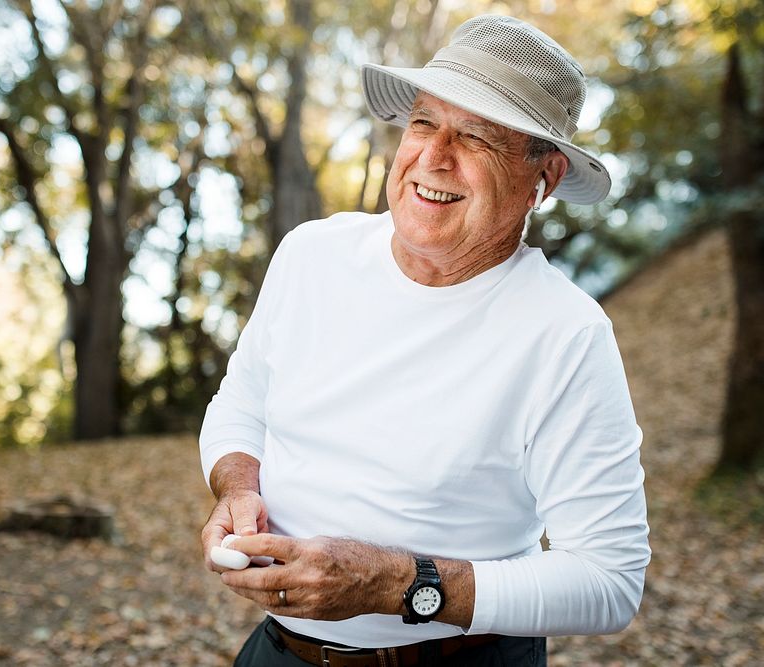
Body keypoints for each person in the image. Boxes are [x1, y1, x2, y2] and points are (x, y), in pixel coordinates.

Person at [199, 14, 650, 667]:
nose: (434, 157)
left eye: (476, 136)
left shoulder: (566, 334)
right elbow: (240, 405)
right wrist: (238, 488)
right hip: (280, 652)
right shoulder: (310, 255)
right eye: (423, 123)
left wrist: (398, 583)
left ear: (543, 180)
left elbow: (608, 583)